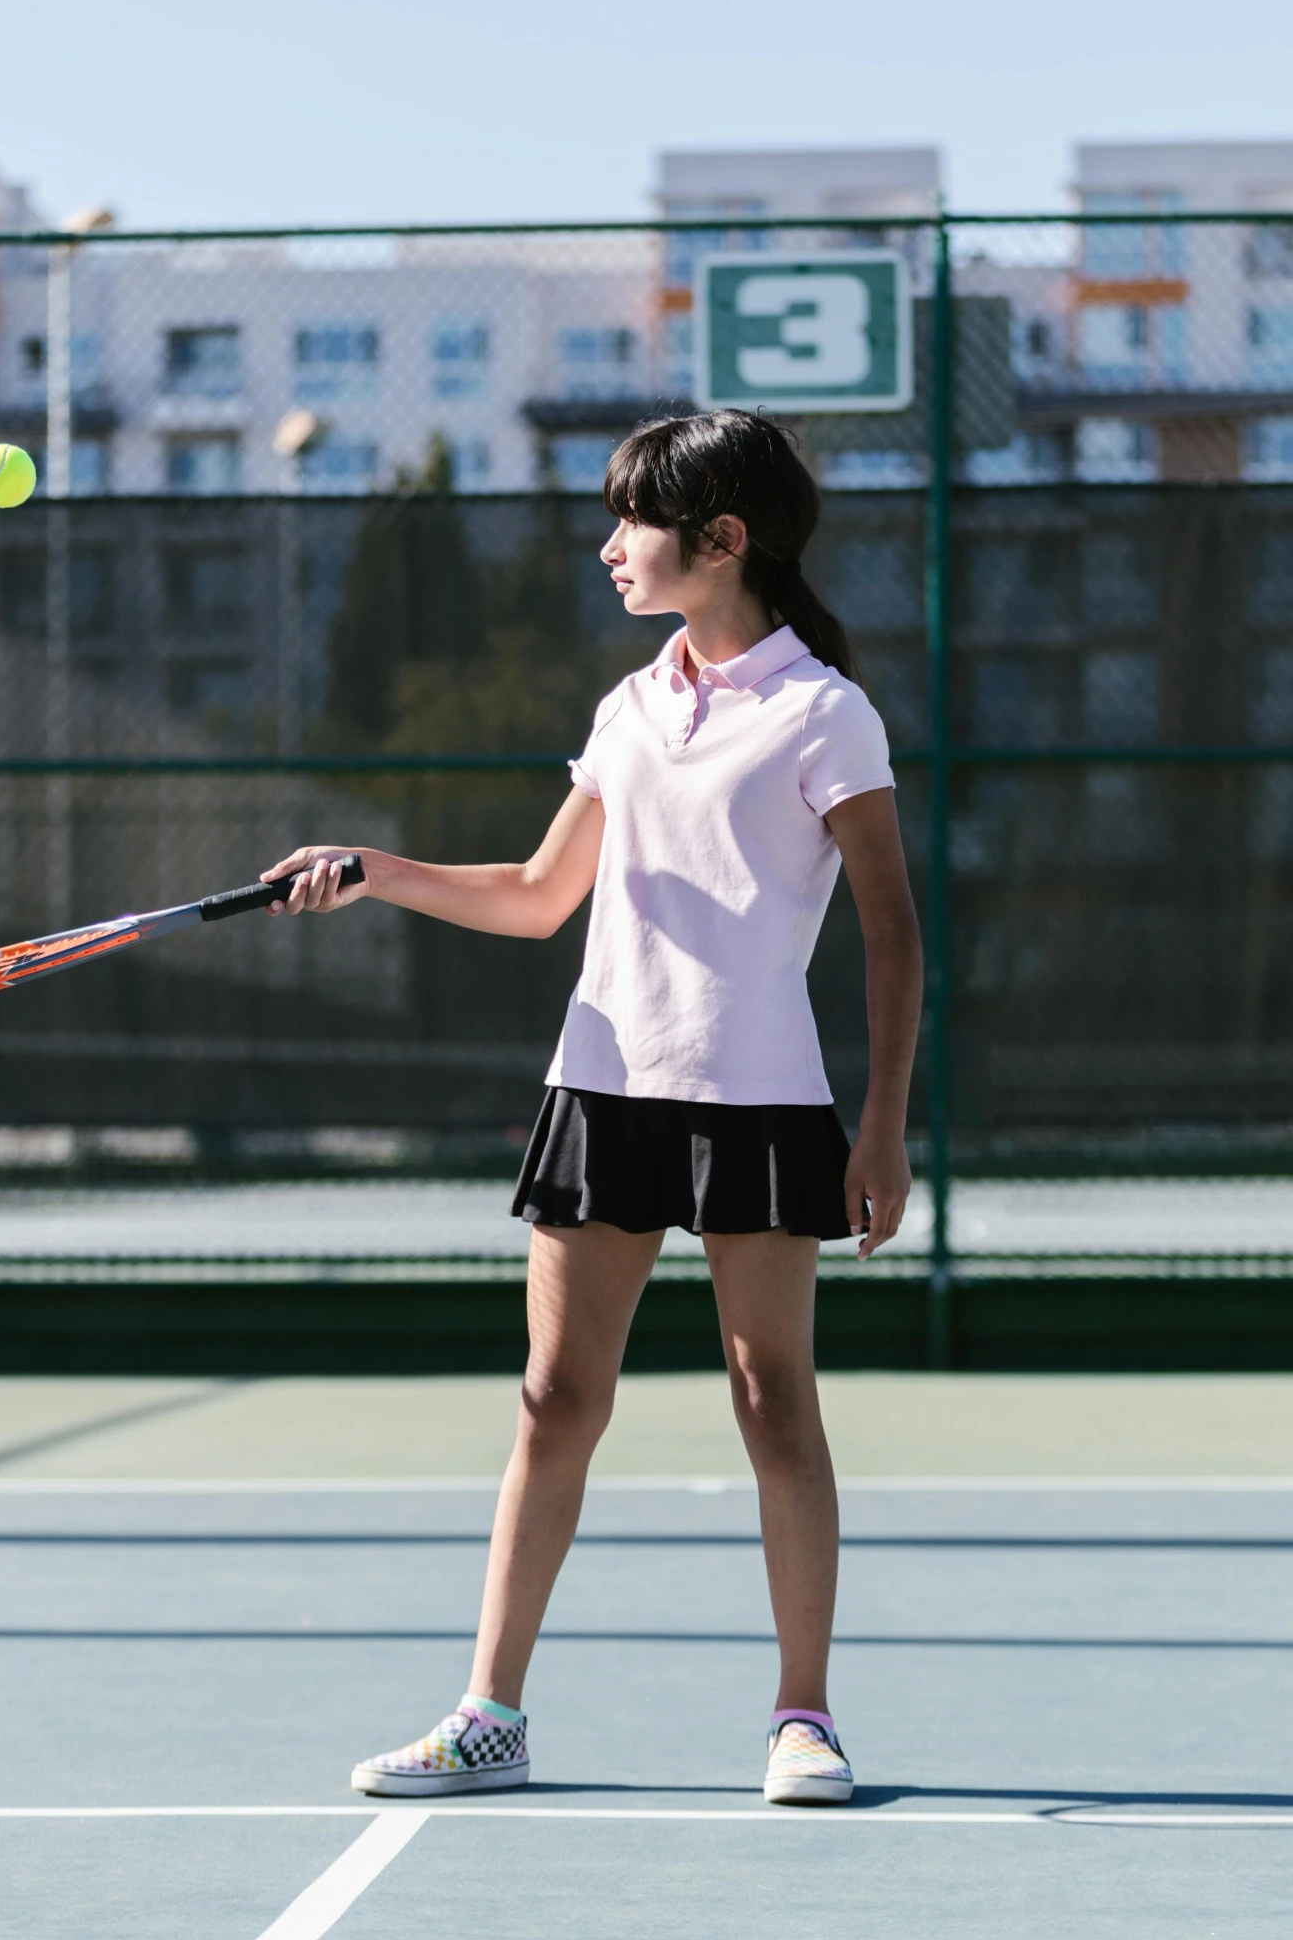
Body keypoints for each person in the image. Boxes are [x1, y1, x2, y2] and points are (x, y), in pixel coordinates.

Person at [259, 408, 923, 1806]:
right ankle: (486, 1713)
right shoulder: (628, 708)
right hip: (601, 1084)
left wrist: (880, 1125)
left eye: (633, 519)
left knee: (770, 1400)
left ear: (721, 540)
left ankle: (801, 1717)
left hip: (757, 1100)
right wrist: (372, 865)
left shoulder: (823, 711)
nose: (609, 544)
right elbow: (538, 894)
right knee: (553, 1397)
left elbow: (890, 932)